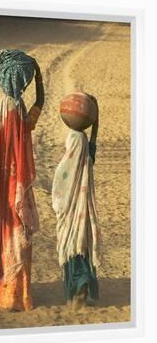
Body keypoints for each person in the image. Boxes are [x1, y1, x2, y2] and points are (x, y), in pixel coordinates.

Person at [0, 49, 43, 312]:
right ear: (23, 82)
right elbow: (39, 106)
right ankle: (19, 295)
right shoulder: (23, 116)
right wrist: (39, 78)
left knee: (0, 237)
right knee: (19, 240)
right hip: (19, 191)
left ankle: (1, 291)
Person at [52, 96, 102, 310]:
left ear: (70, 145)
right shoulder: (88, 156)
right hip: (84, 212)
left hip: (71, 215)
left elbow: (58, 190)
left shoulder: (66, 163)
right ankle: (83, 287)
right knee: (82, 247)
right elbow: (92, 142)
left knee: (71, 249)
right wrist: (95, 120)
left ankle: (77, 290)